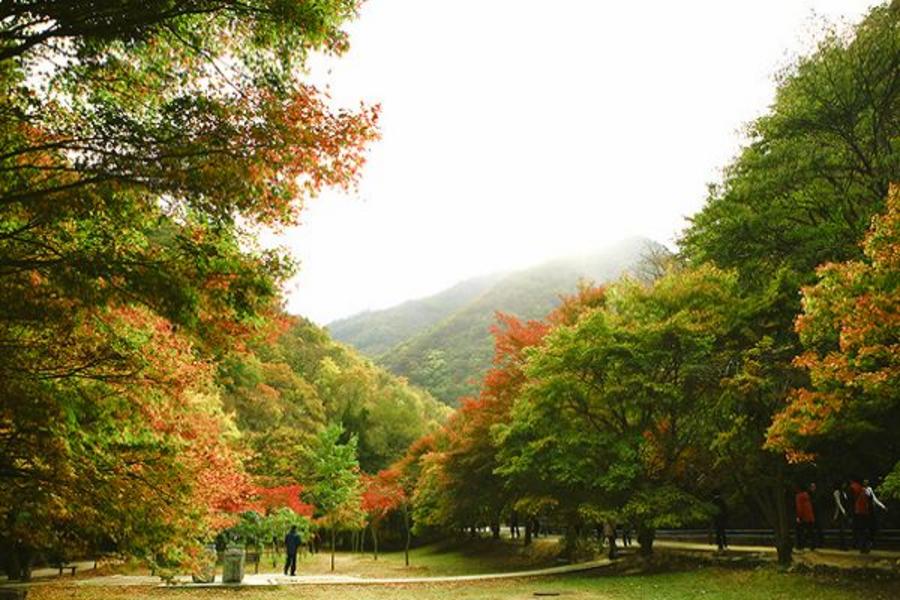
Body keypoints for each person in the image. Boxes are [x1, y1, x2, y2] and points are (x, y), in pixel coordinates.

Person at [863, 478, 888, 551]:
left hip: (871, 510)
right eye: (865, 481)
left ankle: (871, 541)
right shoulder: (861, 490)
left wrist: (882, 506)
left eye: (867, 481)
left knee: (873, 526)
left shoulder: (870, 489)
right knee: (866, 527)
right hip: (864, 511)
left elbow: (875, 499)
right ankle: (866, 544)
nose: (866, 482)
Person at [795, 485, 816, 550]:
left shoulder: (799, 496)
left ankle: (800, 545)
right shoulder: (807, 496)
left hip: (804, 516)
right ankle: (812, 545)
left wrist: (799, 516)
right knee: (810, 531)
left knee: (801, 531)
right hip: (810, 516)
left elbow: (799, 507)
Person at [832, 481, 850, 550]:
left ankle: (843, 545)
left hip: (844, 512)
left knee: (843, 529)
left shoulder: (844, 492)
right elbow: (838, 503)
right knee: (842, 529)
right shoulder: (837, 492)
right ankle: (843, 545)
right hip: (840, 512)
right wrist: (843, 511)